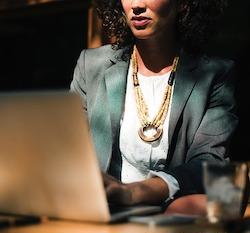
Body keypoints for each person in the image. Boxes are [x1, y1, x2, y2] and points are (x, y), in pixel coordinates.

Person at [70, 0, 238, 211]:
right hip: (101, 213)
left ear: (183, 4)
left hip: (175, 218)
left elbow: (209, 162)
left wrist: (135, 192)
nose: (137, 5)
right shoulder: (91, 65)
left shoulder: (215, 75)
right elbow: (68, 149)